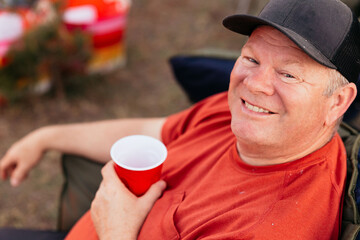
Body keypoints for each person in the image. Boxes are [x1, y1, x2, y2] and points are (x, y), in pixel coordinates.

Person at [1, 0, 360, 239]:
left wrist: (116, 233)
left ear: (338, 101)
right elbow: (150, 132)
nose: (255, 84)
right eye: (251, 59)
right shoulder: (240, 111)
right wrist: (46, 136)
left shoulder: (274, 226)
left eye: (289, 75)